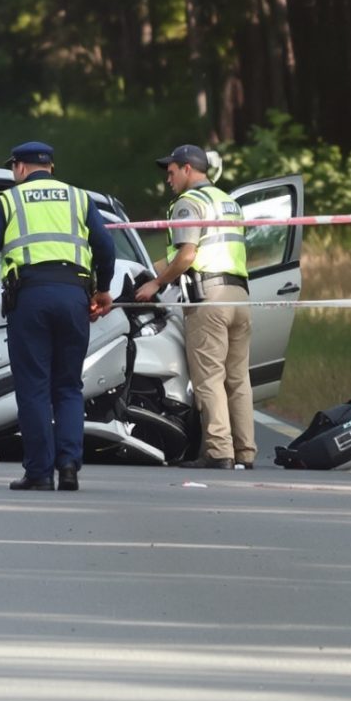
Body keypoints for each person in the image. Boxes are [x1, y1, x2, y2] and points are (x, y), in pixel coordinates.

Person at [0, 142, 118, 491]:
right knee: (68, 385)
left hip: (30, 298)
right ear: (51, 167)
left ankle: (40, 472)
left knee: (34, 387)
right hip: (74, 297)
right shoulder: (79, 198)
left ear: (19, 167)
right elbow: (106, 247)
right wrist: (102, 289)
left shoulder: (8, 201)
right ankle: (69, 465)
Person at [130, 145, 254, 469]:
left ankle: (218, 452)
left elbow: (187, 255)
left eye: (171, 172)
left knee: (209, 378)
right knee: (238, 379)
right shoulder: (228, 201)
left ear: (187, 168)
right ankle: (245, 451)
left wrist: (156, 284)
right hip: (239, 296)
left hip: (208, 300)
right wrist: (148, 270)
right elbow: (198, 251)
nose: (168, 179)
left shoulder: (189, 202)